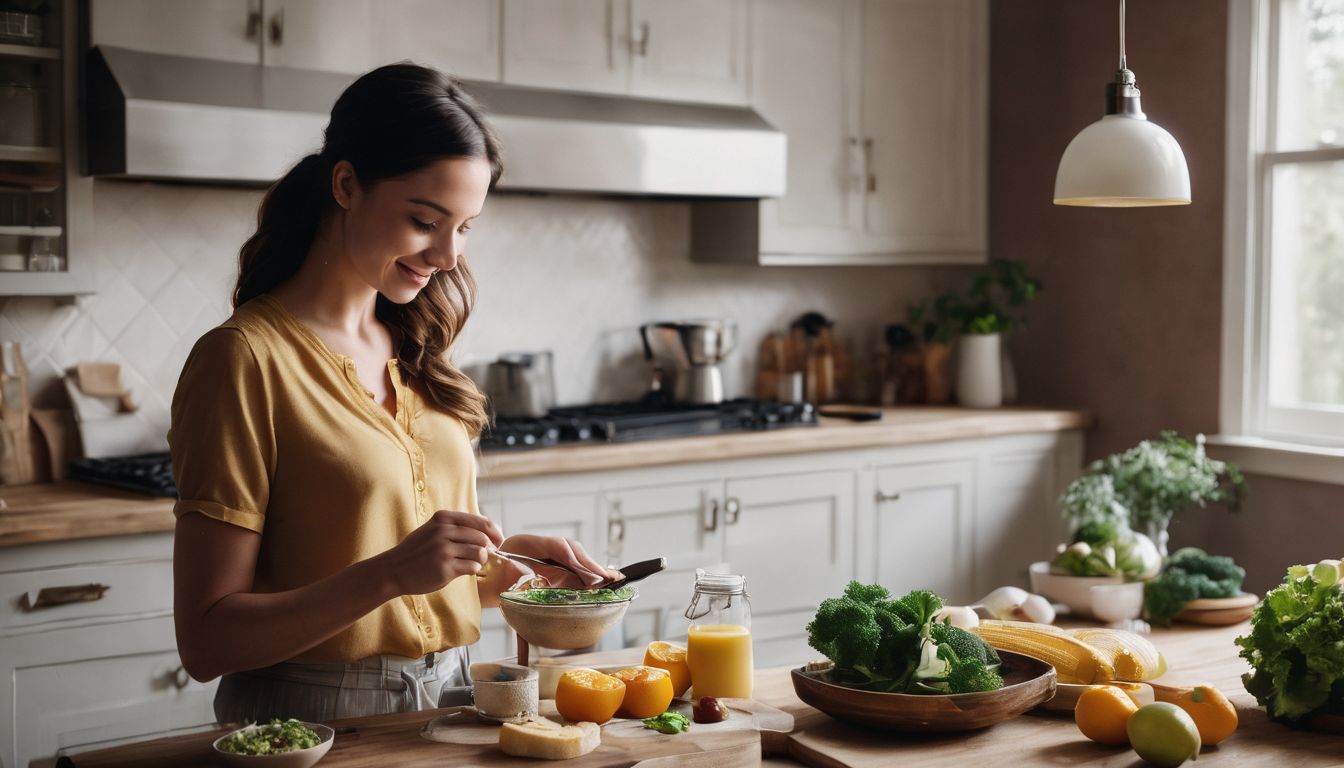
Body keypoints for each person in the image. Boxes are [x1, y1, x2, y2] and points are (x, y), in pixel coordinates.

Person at [168, 64, 618, 724]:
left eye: (465, 227)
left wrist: (518, 568)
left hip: (454, 694)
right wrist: (389, 572)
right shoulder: (243, 359)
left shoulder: (417, 349)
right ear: (346, 184)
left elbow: (415, 578)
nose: (447, 256)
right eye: (425, 220)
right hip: (310, 718)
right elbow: (207, 640)